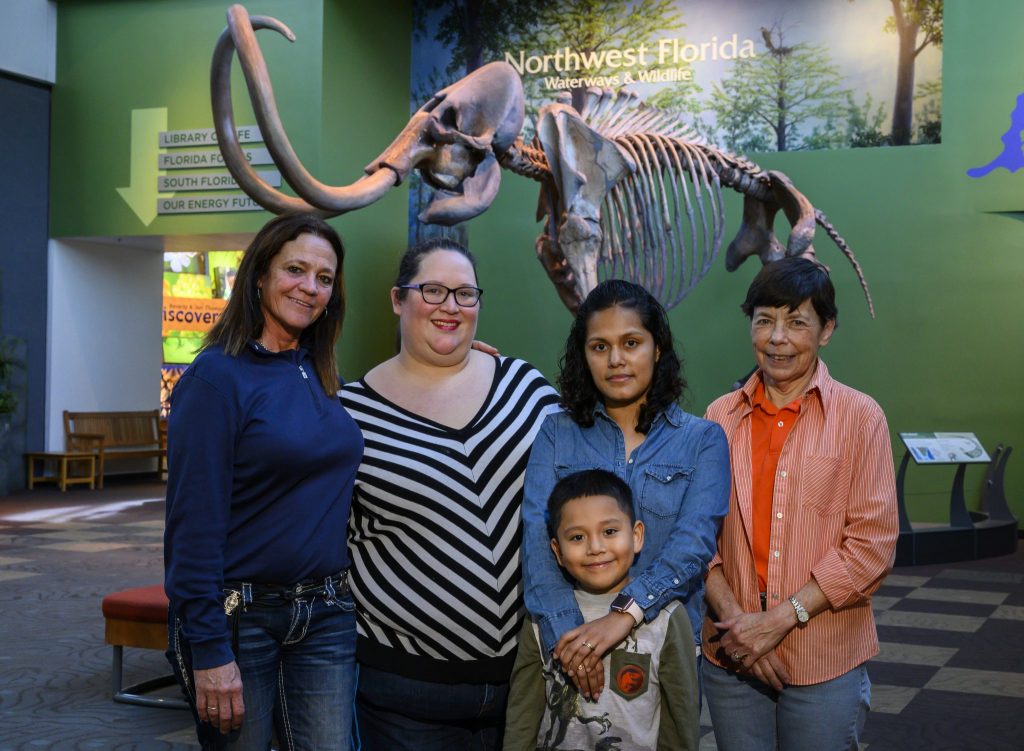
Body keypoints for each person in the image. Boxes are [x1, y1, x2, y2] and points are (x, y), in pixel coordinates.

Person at [339, 236, 560, 750]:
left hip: (529, 679)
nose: (450, 307)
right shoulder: (349, 414)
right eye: (432, 290)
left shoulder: (528, 389)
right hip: (405, 691)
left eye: (465, 294)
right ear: (398, 300)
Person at [164, 213, 361, 749]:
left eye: (324, 278)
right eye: (295, 269)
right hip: (238, 619)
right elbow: (191, 528)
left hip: (326, 615)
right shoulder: (215, 378)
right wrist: (208, 649)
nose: (310, 287)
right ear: (258, 276)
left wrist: (461, 364)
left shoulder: (320, 375)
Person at [702, 257, 899, 751]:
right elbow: (696, 537)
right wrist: (742, 630)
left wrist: (777, 621)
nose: (777, 338)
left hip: (823, 657)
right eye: (764, 319)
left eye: (797, 322)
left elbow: (872, 547)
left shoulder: (860, 417)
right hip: (732, 654)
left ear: (827, 330)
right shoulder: (718, 418)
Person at [521, 279, 730, 702]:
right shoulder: (556, 433)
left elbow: (691, 548)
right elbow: (537, 545)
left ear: (657, 348)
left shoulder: (703, 440)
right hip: (567, 650)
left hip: (663, 653)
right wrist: (574, 645)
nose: (616, 360)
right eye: (600, 347)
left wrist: (623, 615)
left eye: (631, 342)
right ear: (584, 355)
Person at [505, 469, 699, 751]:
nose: (595, 548)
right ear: (557, 552)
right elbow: (522, 716)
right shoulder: (542, 619)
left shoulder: (667, 618)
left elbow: (680, 720)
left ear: (636, 536)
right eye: (577, 538)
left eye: (609, 532)